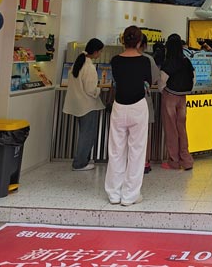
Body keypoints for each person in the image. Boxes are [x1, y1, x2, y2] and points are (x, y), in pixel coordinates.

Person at [104, 26, 152, 206]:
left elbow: (116, 81)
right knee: (137, 151)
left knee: (116, 150)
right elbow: (147, 83)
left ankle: (114, 194)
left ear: (123, 40)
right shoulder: (144, 61)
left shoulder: (115, 60)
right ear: (139, 42)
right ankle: (130, 195)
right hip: (138, 106)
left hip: (119, 106)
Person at [62, 38, 105, 171]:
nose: (100, 54)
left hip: (78, 105)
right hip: (88, 105)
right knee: (87, 135)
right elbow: (91, 90)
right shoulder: (89, 67)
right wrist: (100, 89)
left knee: (83, 133)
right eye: (100, 51)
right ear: (96, 51)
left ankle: (81, 160)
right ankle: (80, 163)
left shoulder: (78, 62)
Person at [160, 33, 194, 170]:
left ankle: (173, 161)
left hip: (170, 96)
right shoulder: (186, 61)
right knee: (182, 128)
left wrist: (163, 90)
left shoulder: (169, 62)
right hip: (183, 97)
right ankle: (186, 160)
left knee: (171, 129)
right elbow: (193, 78)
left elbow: (162, 80)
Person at [140, 34, 161, 174]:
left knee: (126, 135)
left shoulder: (118, 59)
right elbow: (154, 78)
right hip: (143, 99)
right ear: (145, 45)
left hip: (123, 102)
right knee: (143, 134)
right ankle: (144, 162)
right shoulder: (148, 59)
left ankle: (129, 162)